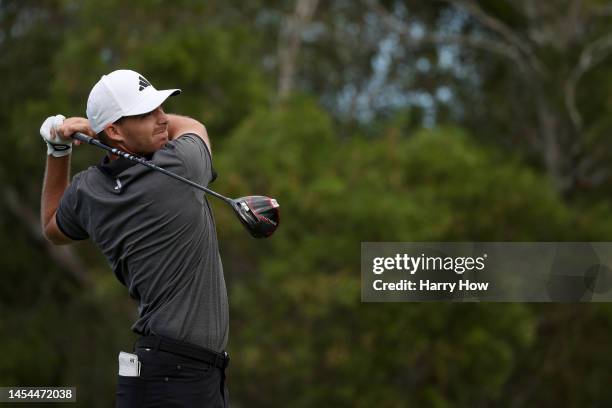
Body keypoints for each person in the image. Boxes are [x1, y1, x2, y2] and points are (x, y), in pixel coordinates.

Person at [39, 69, 230, 407]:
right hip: (177, 374)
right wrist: (96, 126)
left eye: (160, 108)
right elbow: (193, 127)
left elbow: (52, 227)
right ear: (114, 131)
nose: (161, 119)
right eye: (146, 113)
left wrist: (58, 150)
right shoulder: (180, 167)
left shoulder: (88, 190)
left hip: (163, 368)